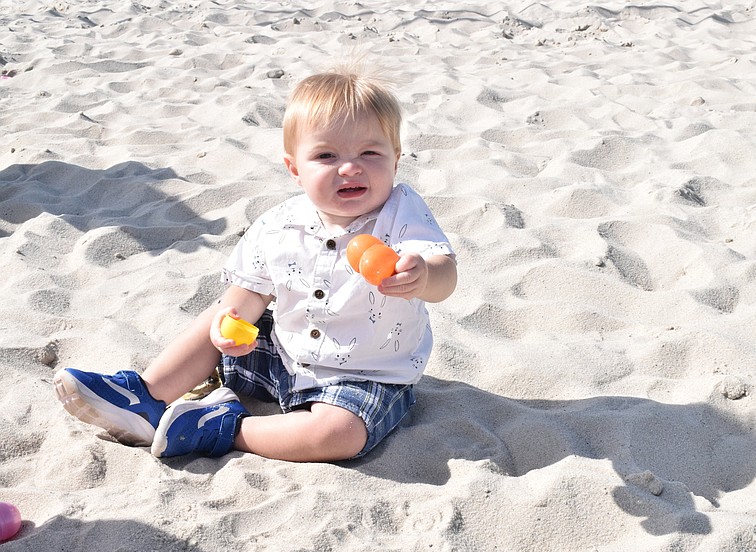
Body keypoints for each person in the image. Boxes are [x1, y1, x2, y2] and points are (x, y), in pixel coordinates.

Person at [53, 67, 457, 462]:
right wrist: (230, 328)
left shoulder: (401, 212)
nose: (350, 167)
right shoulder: (279, 224)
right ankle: (146, 394)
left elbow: (445, 277)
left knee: (339, 433)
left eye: (370, 153)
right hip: (283, 352)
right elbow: (248, 292)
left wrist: (423, 274)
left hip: (367, 376)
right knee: (215, 319)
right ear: (295, 169)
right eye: (326, 155)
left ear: (396, 159)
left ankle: (224, 428)